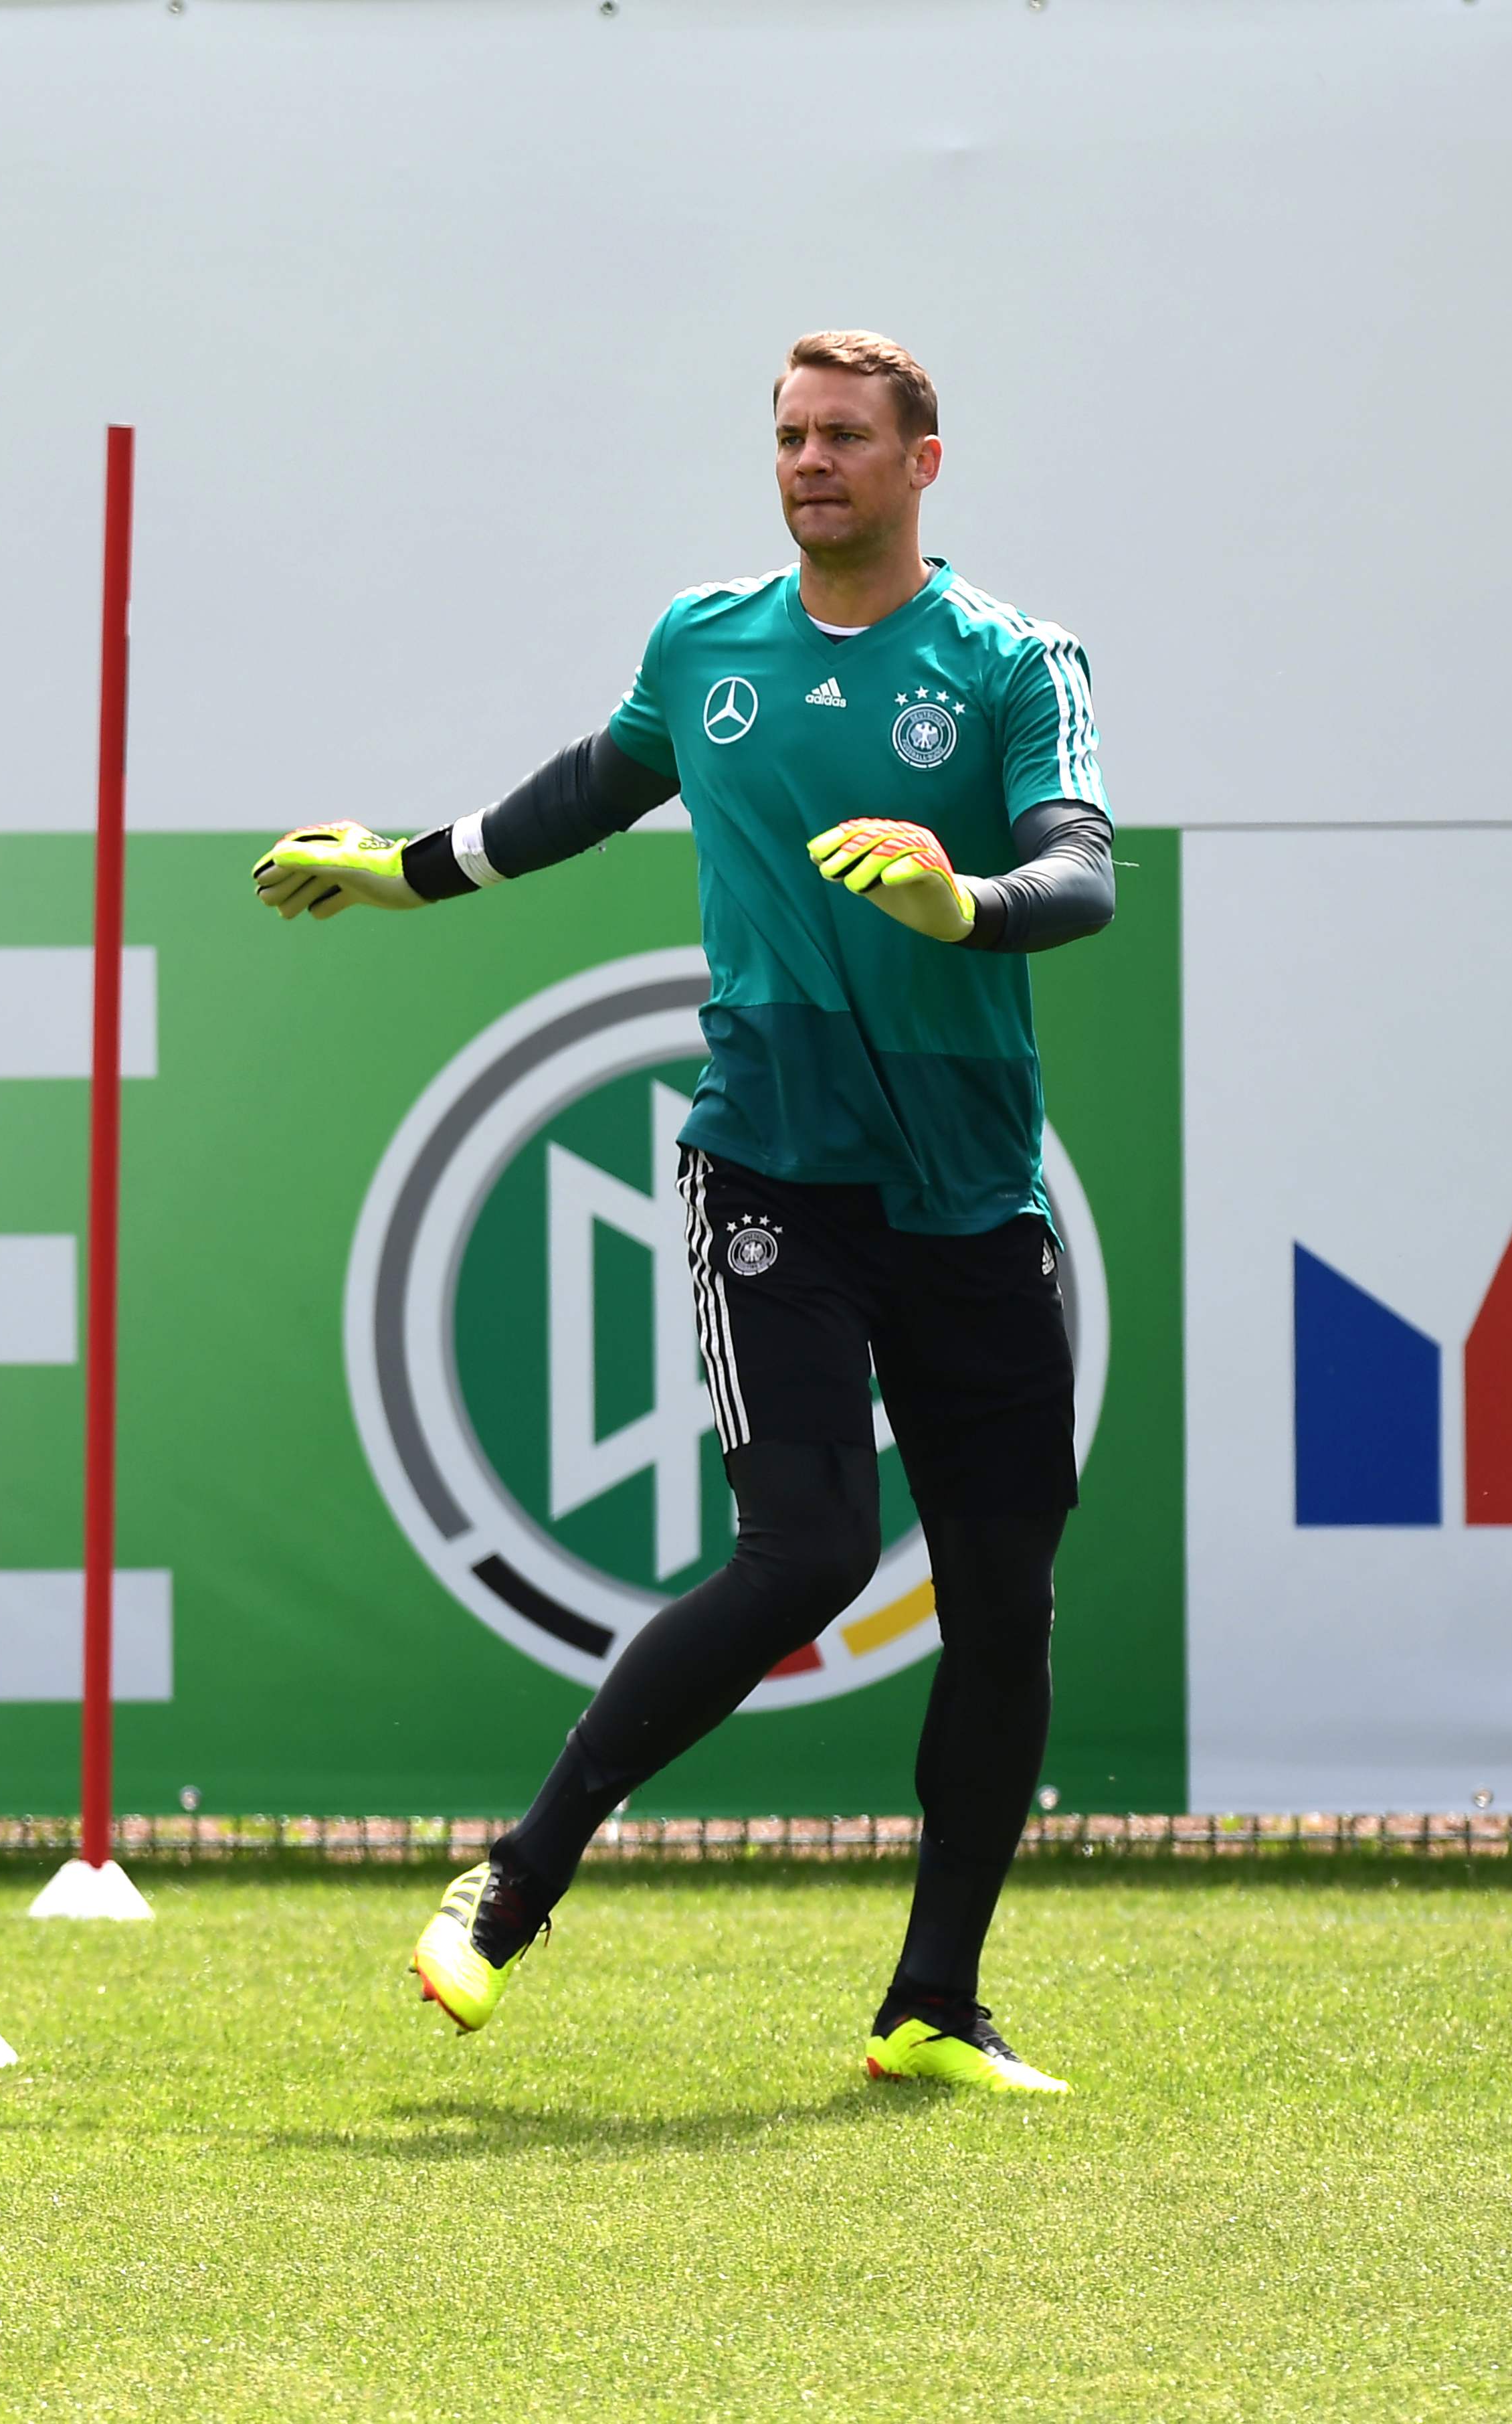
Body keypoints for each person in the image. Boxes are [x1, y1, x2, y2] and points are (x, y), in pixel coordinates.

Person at [255, 331, 1116, 2093]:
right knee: (799, 1554)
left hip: (968, 1191)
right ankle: (511, 1888)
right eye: (789, 436)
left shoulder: (1012, 662)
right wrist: (408, 869)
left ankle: (930, 2004)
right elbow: (589, 785)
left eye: (844, 438)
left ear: (920, 463)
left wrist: (968, 906)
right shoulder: (706, 642)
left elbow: (1082, 869)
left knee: (1005, 1609)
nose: (808, 462)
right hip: (768, 1170)